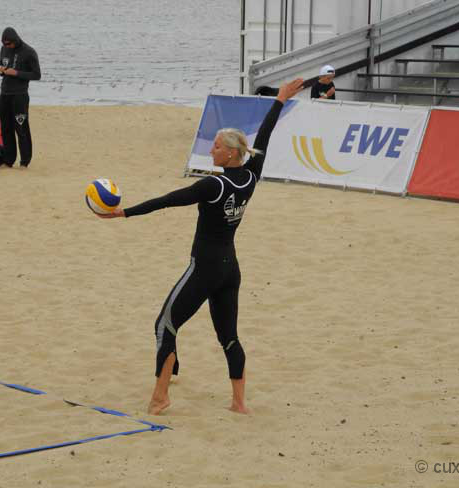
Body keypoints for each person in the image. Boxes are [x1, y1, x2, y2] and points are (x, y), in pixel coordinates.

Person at [98, 78, 305, 415]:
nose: (211, 150)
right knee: (229, 338)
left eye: (217, 147)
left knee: (164, 325)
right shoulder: (251, 176)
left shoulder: (213, 185)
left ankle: (160, 397)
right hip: (230, 270)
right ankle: (239, 404)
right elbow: (265, 136)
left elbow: (168, 200)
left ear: (232, 153)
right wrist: (279, 100)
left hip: (205, 268)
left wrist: (124, 213)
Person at [0, 27, 41, 168]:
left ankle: (24, 161)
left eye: (9, 44)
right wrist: (1, 71)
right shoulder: (4, 49)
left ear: (15, 40)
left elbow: (36, 75)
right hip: (4, 94)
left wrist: (16, 73)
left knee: (21, 128)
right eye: (5, 44)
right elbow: (3, 68)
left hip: (19, 95)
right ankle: (8, 160)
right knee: (6, 128)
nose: (7, 46)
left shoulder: (29, 52)